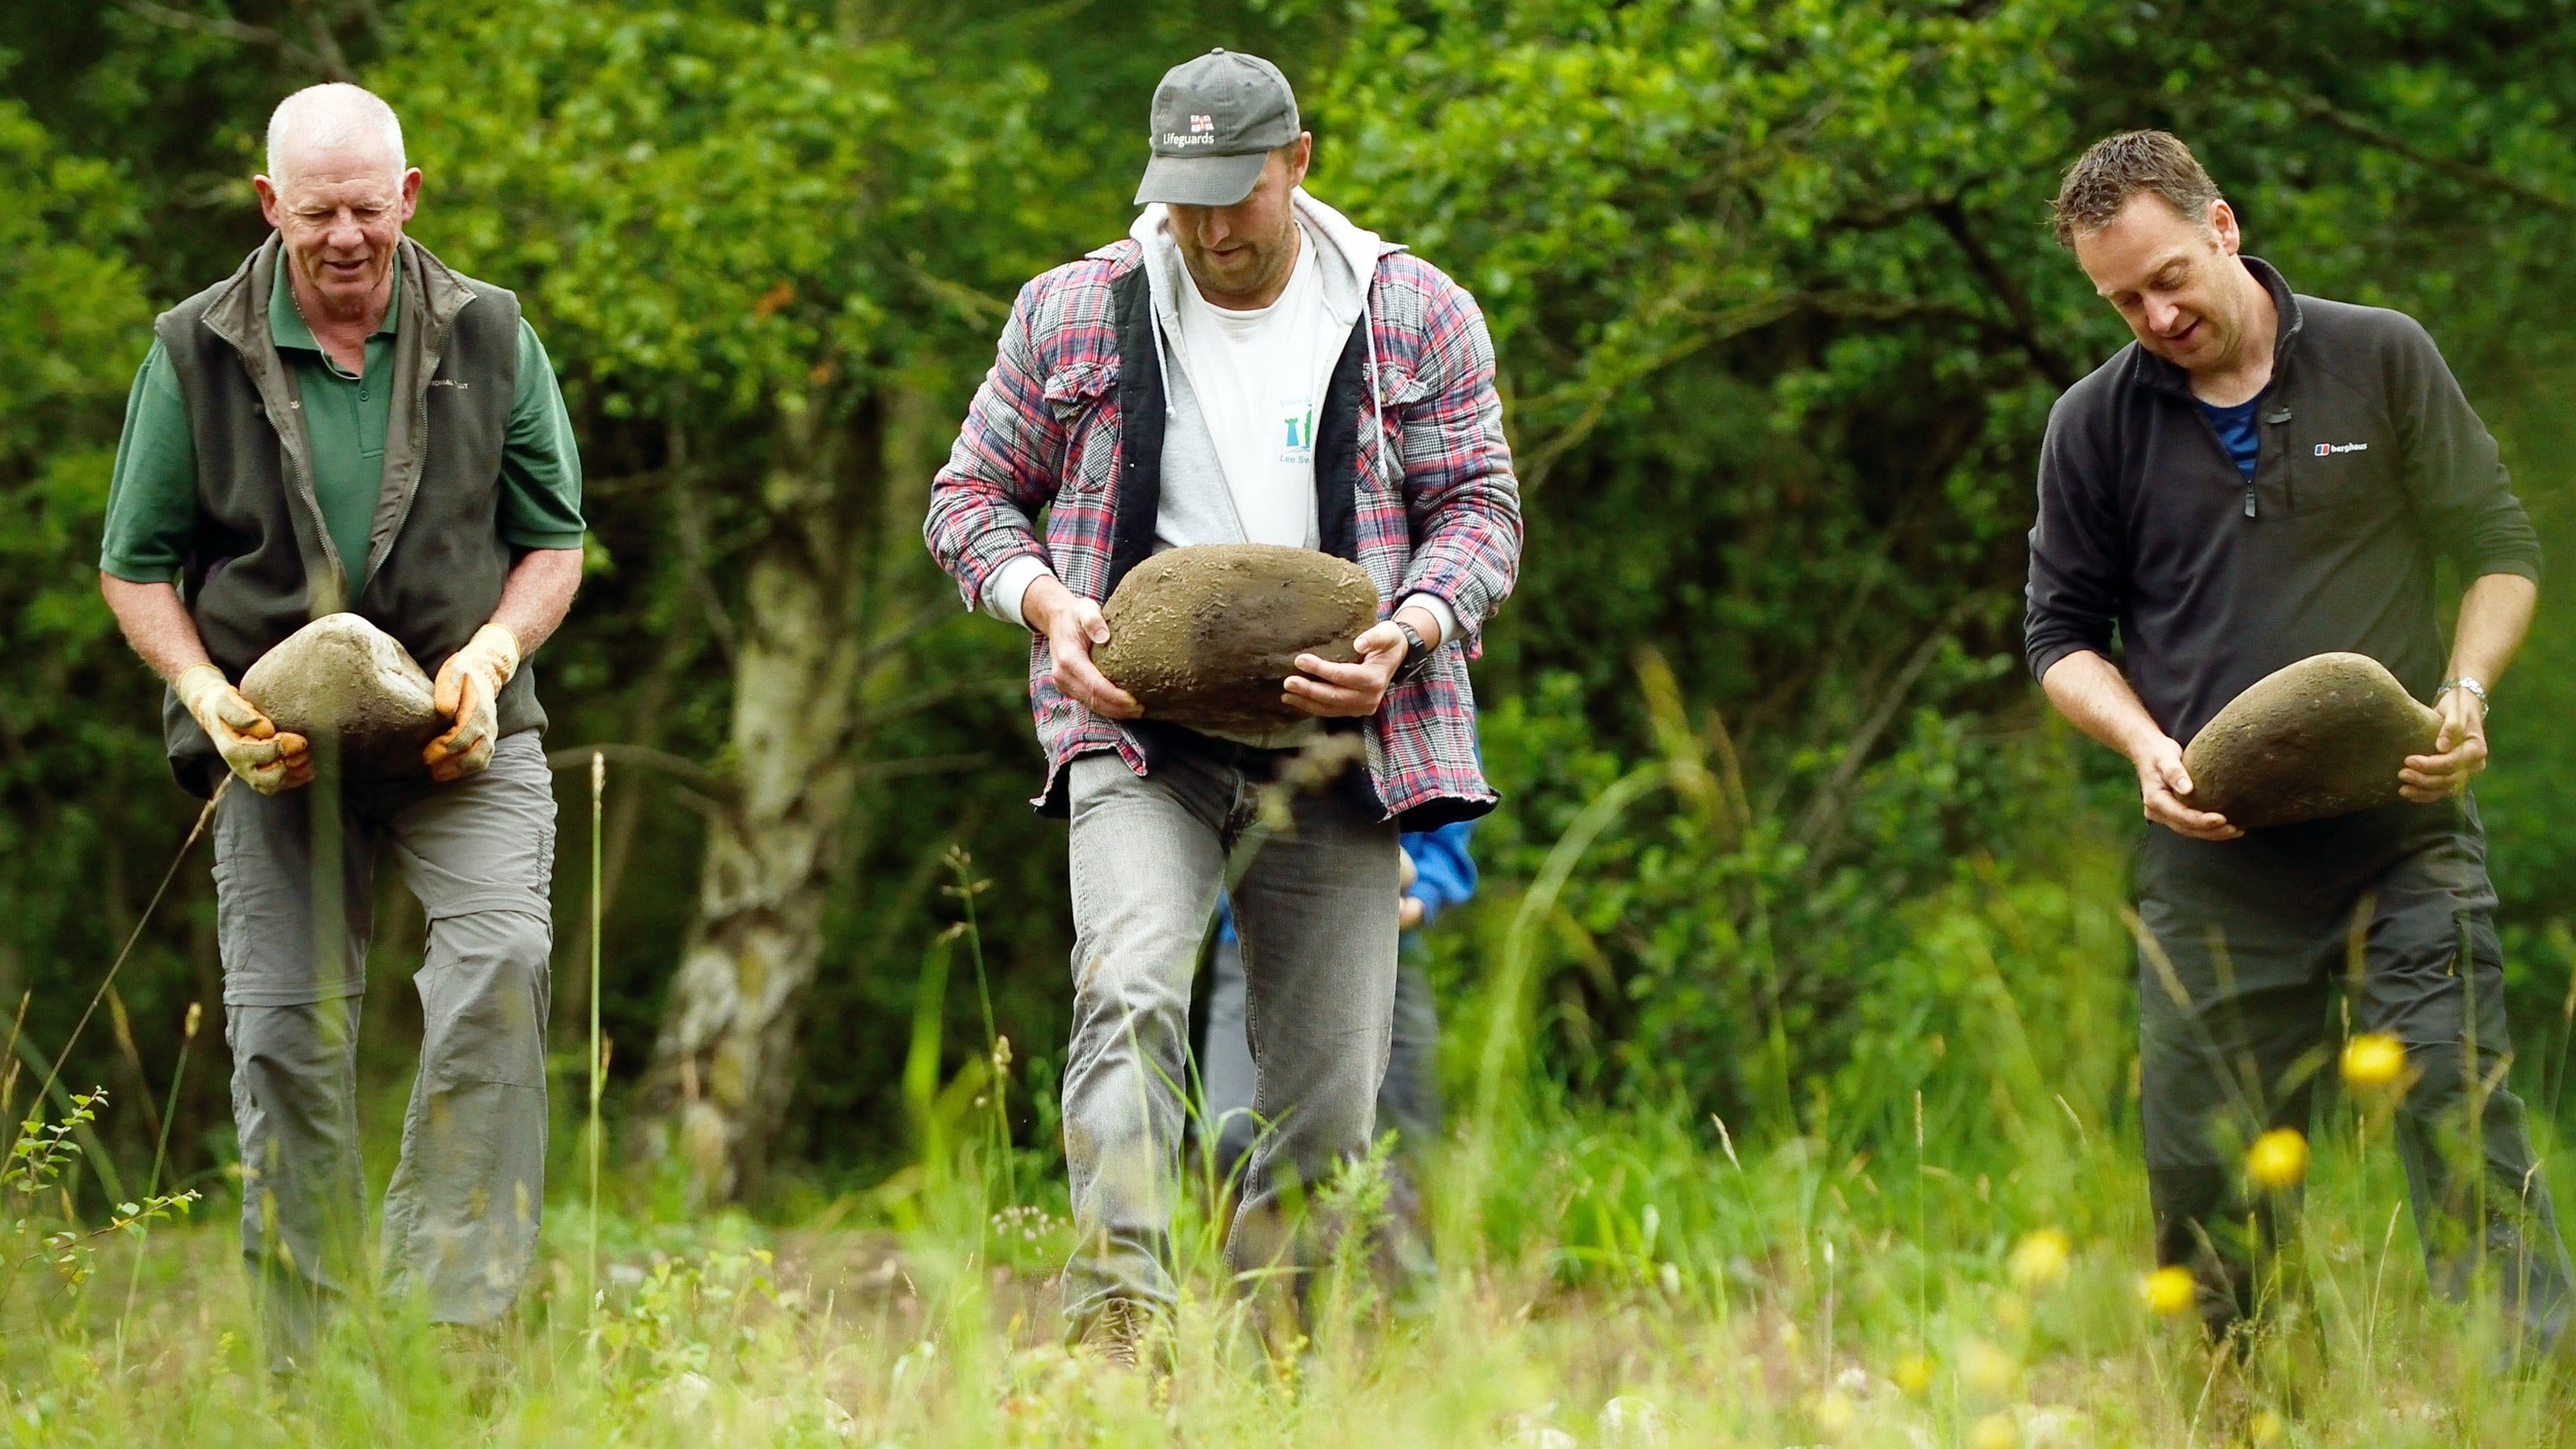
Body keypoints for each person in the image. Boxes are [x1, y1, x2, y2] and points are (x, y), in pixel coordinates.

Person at [922, 49, 1521, 1362]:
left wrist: (1411, 631)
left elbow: (1481, 513)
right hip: (1137, 728)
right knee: (1128, 987)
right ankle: (1119, 1330)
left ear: (1296, 161)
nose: (1207, 230)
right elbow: (968, 496)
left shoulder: (1415, 311)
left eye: (1233, 196)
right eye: (1182, 198)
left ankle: (1273, 1362)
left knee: (1325, 1105)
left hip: (1343, 738)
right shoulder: (1076, 311)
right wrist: (1042, 603)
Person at [2026, 130, 2572, 1349]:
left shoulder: (2381, 355)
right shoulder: (2093, 426)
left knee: (2459, 1120)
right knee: (2209, 1188)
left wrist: (2467, 694)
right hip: (2212, 856)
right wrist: (2140, 747)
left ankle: (2532, 1404)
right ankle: (2251, 1418)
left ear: (2221, 226)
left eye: (2168, 275)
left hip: (2405, 835)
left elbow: (2499, 550)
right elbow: (2060, 637)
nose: (2155, 314)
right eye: (2122, 299)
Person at [96, 83, 585, 1363]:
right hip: (273, 750)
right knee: (283, 1033)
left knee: (501, 964)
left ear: (409, 197)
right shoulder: (193, 348)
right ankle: (309, 1368)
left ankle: (457, 1322)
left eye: (369, 207)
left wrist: (491, 655)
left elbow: (555, 541)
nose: (347, 237)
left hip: (460, 729)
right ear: (270, 207)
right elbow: (134, 566)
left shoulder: (491, 330)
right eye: (317, 213)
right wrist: (207, 697)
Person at [1199, 820, 1478, 1277]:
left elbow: (1451, 803)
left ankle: (1407, 1312)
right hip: (1252, 942)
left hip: (1383, 941)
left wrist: (1418, 898)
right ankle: (1264, 1309)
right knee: (1233, 1134)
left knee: (1399, 1141)